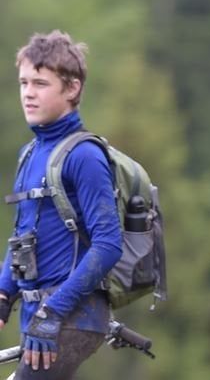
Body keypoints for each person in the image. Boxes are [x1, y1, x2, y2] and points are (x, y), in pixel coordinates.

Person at [0, 30, 122, 379]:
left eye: (40, 83)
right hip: (39, 316)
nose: (28, 93)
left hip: (71, 317)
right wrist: (5, 292)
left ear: (72, 89)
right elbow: (22, 235)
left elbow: (109, 244)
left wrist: (52, 313)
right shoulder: (29, 153)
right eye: (24, 82)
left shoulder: (84, 156)